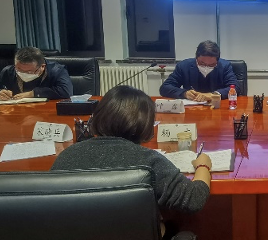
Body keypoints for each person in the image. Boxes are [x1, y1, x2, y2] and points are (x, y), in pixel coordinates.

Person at [52, 85, 211, 213]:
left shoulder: (66, 156)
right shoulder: (148, 162)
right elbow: (194, 199)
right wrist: (203, 166)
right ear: (146, 125)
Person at [0, 46, 73, 100]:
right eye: (19, 69)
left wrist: (33, 94)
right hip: (17, 114)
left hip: (46, 114)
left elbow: (66, 92)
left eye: (29, 71)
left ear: (42, 67)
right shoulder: (9, 71)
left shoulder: (57, 70)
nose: (23, 73)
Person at [159, 40, 239, 101]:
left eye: (211, 65)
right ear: (196, 58)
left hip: (217, 109)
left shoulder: (224, 66)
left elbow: (235, 88)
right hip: (192, 109)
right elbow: (165, 88)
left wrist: (214, 95)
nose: (206, 67)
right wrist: (184, 93)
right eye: (202, 63)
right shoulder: (184, 66)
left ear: (217, 61)